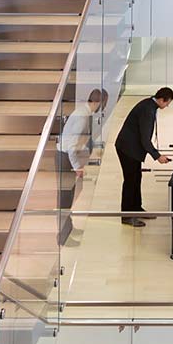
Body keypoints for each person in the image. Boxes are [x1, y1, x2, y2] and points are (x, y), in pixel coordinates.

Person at [113, 87, 173, 226]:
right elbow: (144, 139)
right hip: (127, 149)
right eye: (167, 103)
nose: (167, 105)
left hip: (131, 148)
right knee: (130, 181)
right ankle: (127, 216)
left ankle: (136, 208)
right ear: (161, 100)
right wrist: (157, 156)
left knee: (136, 177)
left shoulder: (149, 104)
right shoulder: (148, 110)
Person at [58, 88, 107, 242]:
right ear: (99, 103)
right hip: (65, 158)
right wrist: (77, 167)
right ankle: (63, 236)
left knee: (69, 197)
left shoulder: (83, 112)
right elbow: (72, 147)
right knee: (65, 199)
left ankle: (69, 227)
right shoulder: (82, 117)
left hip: (66, 156)